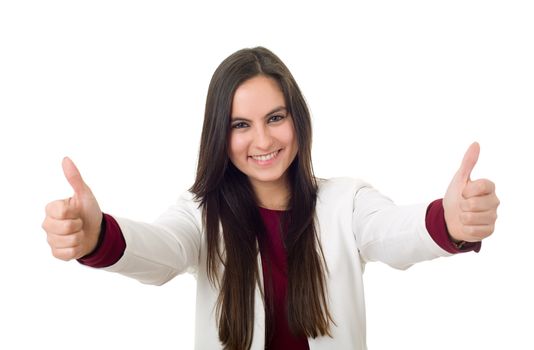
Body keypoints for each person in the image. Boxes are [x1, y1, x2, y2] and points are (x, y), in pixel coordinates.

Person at [41, 47, 500, 350]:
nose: (262, 140)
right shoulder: (201, 215)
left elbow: (392, 232)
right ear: (220, 135)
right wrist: (97, 236)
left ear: (297, 118)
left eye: (275, 117)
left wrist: (450, 222)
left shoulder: (346, 201)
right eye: (241, 124)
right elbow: (162, 249)